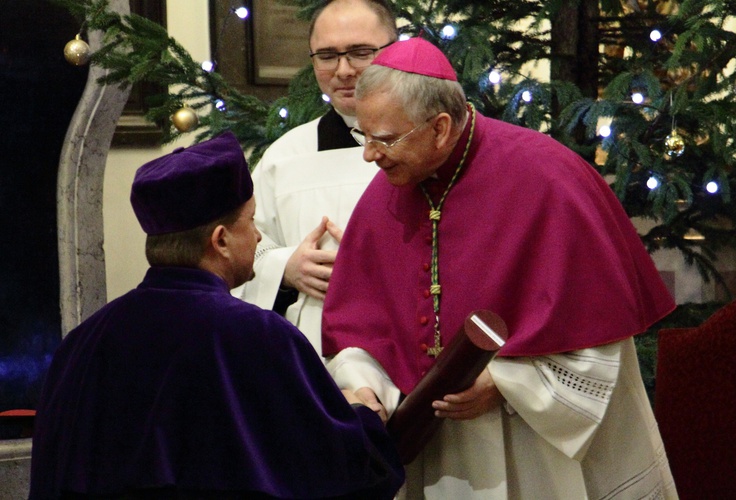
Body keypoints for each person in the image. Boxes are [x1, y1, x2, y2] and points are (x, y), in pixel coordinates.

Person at [322, 38, 679, 499]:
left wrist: (508, 384)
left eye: (385, 139)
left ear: (441, 127)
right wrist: (363, 387)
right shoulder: (385, 194)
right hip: (430, 452)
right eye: (363, 136)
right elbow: (358, 329)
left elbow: (599, 333)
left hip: (536, 444)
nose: (370, 155)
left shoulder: (549, 179)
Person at [28, 132, 404, 499]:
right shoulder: (259, 336)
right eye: (251, 221)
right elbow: (341, 471)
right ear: (221, 240)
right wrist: (361, 411)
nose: (258, 238)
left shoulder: (84, 341)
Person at [233, 0, 398, 354]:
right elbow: (241, 249)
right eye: (326, 56)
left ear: (395, 50)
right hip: (317, 355)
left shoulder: (436, 144)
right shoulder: (287, 157)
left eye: (360, 52)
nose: (343, 70)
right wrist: (286, 267)